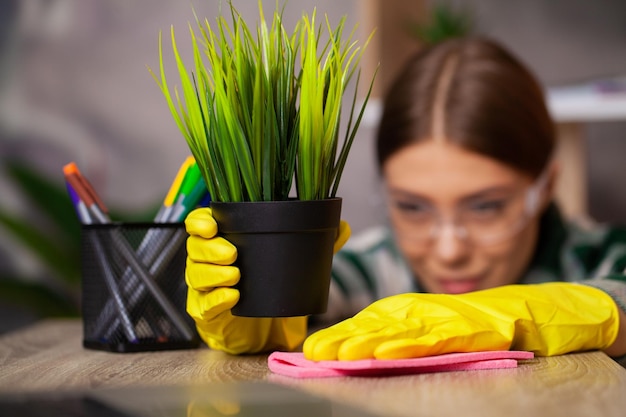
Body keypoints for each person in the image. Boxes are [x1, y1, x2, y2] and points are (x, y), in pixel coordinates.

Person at [184, 36, 626, 365]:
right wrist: (263, 306)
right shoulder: (373, 267)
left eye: (486, 206)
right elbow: (315, 299)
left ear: (545, 186)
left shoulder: (603, 255)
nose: (449, 252)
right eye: (413, 207)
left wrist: (524, 315)